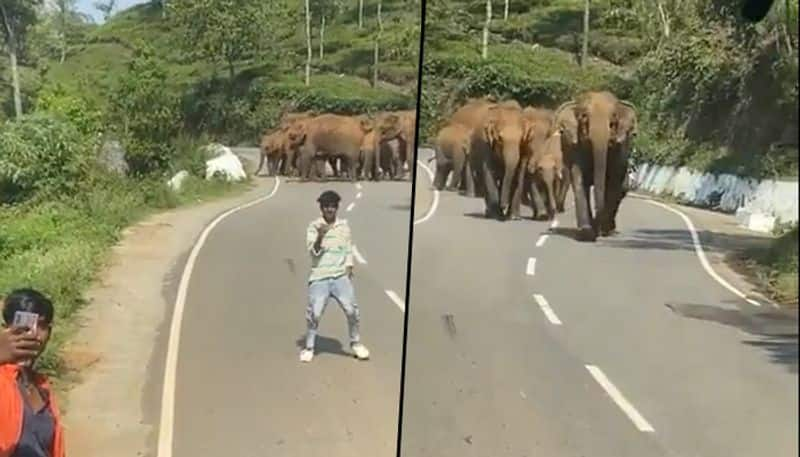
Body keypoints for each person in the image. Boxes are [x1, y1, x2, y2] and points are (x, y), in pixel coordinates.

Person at [300, 190, 370, 363]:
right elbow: (314, 252)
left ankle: (356, 343)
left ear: (337, 208)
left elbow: (347, 247)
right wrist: (321, 235)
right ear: (321, 208)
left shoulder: (343, 226)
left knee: (352, 310)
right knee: (315, 313)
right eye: (326, 207)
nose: (330, 210)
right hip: (320, 276)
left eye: (333, 206)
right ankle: (309, 347)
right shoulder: (313, 227)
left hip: (339, 276)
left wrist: (349, 265)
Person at [0, 288, 65, 457]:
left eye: (41, 326)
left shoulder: (42, 387)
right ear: (6, 330)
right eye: (24, 326)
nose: (33, 334)